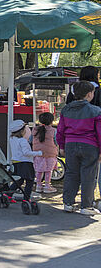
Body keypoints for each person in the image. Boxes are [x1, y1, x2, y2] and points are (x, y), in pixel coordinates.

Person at [57, 80, 101, 215]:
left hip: (70, 144)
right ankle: (86, 206)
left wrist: (61, 146)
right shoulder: (96, 110)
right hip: (90, 145)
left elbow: (60, 130)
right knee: (88, 174)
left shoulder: (66, 109)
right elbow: (99, 132)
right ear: (89, 94)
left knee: (71, 173)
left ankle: (68, 203)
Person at [8, 119, 41, 202]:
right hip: (25, 163)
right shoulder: (23, 141)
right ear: (22, 131)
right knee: (30, 181)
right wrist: (38, 153)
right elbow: (26, 153)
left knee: (19, 180)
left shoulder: (12, 139)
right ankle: (26, 198)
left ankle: (8, 195)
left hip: (16, 162)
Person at [32, 112, 58, 193]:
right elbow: (56, 141)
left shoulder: (35, 129)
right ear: (52, 121)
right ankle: (47, 186)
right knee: (48, 171)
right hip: (50, 153)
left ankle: (38, 186)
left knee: (39, 170)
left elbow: (30, 140)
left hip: (38, 153)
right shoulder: (54, 130)